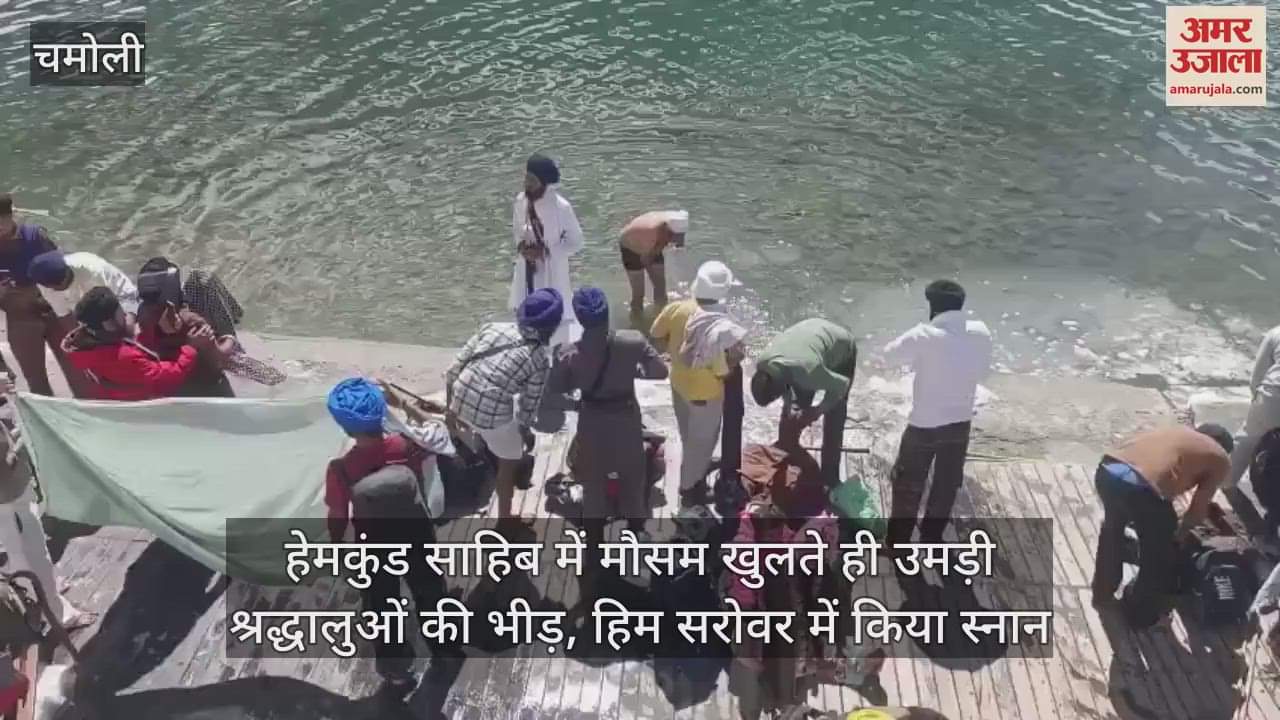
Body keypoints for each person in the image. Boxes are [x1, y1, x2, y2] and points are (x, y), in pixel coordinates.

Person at [323, 378, 452, 696]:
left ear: (344, 427)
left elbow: (338, 515)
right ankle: (443, 647)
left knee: (383, 606)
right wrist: (401, 404)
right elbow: (439, 430)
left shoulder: (341, 469)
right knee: (430, 591)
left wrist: (337, 546)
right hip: (416, 532)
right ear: (380, 414)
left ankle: (397, 671)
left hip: (375, 545)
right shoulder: (408, 446)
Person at [883, 280, 992, 549]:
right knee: (945, 485)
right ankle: (932, 537)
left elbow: (888, 356)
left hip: (924, 425)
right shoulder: (981, 332)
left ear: (932, 306)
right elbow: (983, 369)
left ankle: (898, 543)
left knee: (908, 484)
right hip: (960, 423)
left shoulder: (924, 335)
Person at [1091, 424, 1234, 628]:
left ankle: (1102, 593)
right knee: (1158, 558)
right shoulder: (1221, 458)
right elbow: (1197, 510)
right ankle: (1138, 616)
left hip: (1107, 470)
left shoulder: (1176, 431)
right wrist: (1178, 536)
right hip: (1141, 488)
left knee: (1113, 530)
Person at [549, 287, 668, 532]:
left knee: (593, 487)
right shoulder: (632, 340)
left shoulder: (567, 353)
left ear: (580, 319)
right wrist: (631, 371)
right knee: (633, 483)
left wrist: (576, 382)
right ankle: (635, 539)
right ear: (607, 314)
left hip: (592, 423)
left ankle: (594, 550)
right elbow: (660, 371)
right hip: (626, 421)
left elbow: (556, 387)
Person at [445, 288, 562, 518]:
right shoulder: (539, 359)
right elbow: (529, 408)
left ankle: (483, 447)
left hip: (459, 397)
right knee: (508, 464)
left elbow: (451, 371)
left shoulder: (492, 327)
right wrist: (522, 437)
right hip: (492, 416)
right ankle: (505, 522)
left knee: (492, 424)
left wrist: (451, 412)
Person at [0, 372, 92, 632]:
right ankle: (54, 610)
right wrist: (24, 439)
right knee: (29, 550)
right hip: (7, 491)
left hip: (10, 489)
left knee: (17, 546)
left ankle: (42, 589)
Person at [651, 261, 745, 506]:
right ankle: (688, 490)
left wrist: (675, 355)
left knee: (688, 434)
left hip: (678, 386)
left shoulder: (676, 308)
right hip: (706, 397)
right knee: (703, 442)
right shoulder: (719, 326)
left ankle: (695, 465)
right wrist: (734, 361)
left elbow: (656, 334)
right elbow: (722, 373)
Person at [751, 318, 858, 487]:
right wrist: (788, 407)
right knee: (793, 412)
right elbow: (785, 386)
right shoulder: (764, 364)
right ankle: (788, 460)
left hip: (841, 350)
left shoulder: (810, 372)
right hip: (806, 342)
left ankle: (830, 480)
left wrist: (818, 410)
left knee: (834, 416)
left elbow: (841, 385)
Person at [61, 286, 211, 401]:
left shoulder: (85, 345)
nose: (125, 314)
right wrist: (191, 346)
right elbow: (168, 378)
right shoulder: (122, 357)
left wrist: (156, 330)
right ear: (108, 324)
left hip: (121, 396)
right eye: (120, 311)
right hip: (150, 403)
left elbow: (131, 352)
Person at [28, 250, 139, 397]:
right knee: (89, 349)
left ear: (67, 273)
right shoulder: (45, 283)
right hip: (88, 309)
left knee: (126, 333)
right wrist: (81, 343)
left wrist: (118, 338)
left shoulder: (91, 269)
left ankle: (136, 375)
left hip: (120, 298)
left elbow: (109, 307)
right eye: (51, 287)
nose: (54, 290)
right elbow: (64, 316)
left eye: (59, 286)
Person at [0, 195, 77, 397]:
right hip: (20, 319)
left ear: (12, 215)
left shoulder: (36, 236)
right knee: (36, 382)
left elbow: (64, 274)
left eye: (1, 220)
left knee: (78, 372)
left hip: (53, 313)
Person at [508, 154, 584, 348]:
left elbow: (576, 242)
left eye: (532, 180)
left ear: (544, 183)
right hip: (527, 268)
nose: (527, 184)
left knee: (555, 320)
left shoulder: (562, 208)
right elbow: (517, 231)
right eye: (526, 178)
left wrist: (546, 252)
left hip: (552, 271)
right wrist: (524, 248)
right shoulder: (521, 201)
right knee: (525, 310)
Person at [134, 258, 236, 398]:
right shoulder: (192, 323)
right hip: (202, 388)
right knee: (202, 278)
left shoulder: (142, 317)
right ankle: (231, 326)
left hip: (170, 387)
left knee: (200, 278)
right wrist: (228, 337)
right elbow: (221, 360)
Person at [1228, 324, 1280, 490]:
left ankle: (1225, 482)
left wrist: (1257, 403)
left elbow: (1257, 378)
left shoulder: (1276, 333)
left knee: (1248, 438)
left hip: (1274, 398)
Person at [619, 210, 688, 315]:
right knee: (639, 293)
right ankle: (637, 320)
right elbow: (646, 260)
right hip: (630, 247)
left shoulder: (674, 220)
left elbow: (679, 245)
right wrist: (656, 278)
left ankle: (661, 315)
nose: (675, 240)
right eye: (672, 236)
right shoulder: (649, 233)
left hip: (654, 243)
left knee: (660, 287)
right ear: (666, 229)